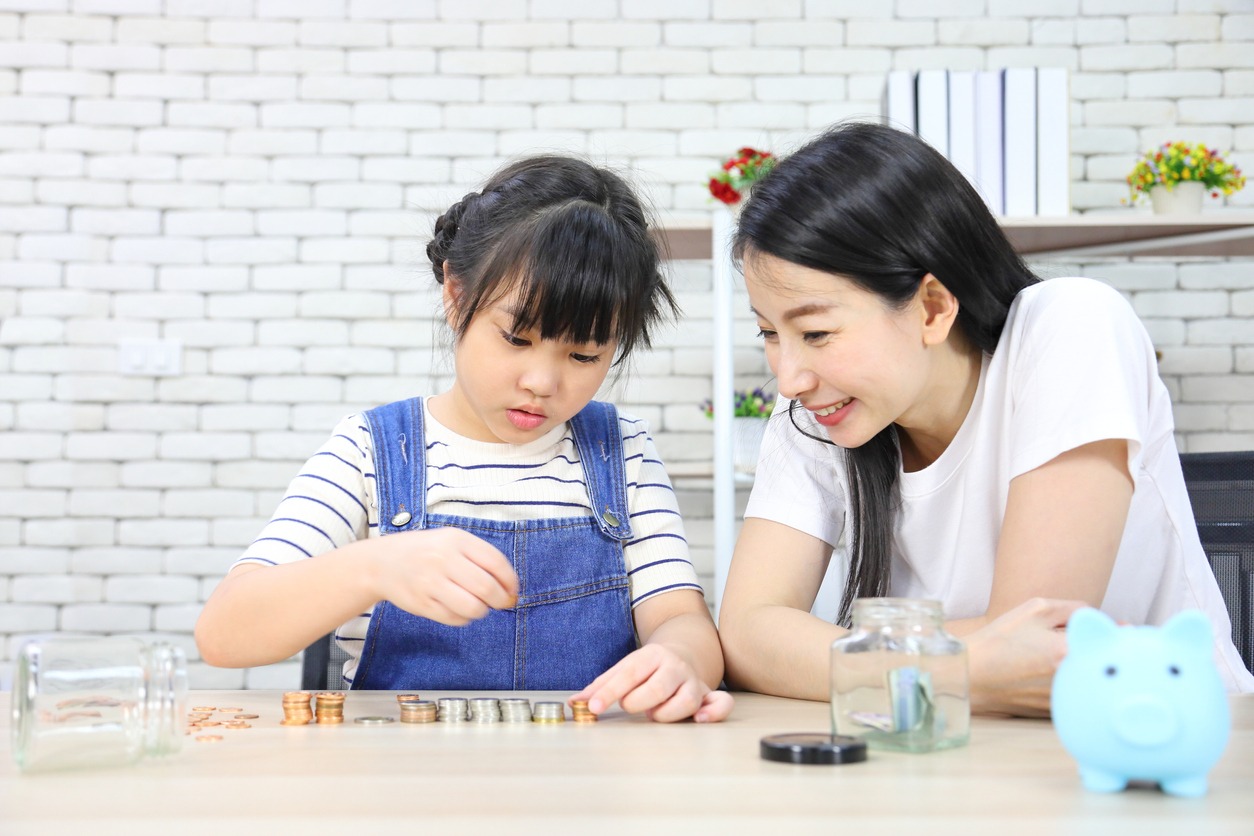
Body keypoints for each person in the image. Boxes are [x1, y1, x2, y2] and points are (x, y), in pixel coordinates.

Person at [717, 122, 1254, 716]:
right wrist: (960, 668)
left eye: (816, 332)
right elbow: (746, 633)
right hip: (956, 749)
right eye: (770, 332)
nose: (790, 378)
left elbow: (1037, 648)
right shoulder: (816, 413)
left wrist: (849, 659)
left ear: (932, 306)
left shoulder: (1071, 326)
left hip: (1165, 740)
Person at [196, 156, 733, 724]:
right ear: (456, 295)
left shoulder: (621, 452)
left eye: (584, 355)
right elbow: (225, 633)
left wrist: (679, 659)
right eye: (517, 339)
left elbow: (678, 616)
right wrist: (371, 568)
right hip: (399, 781)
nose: (542, 383)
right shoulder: (372, 452)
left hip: (583, 775)